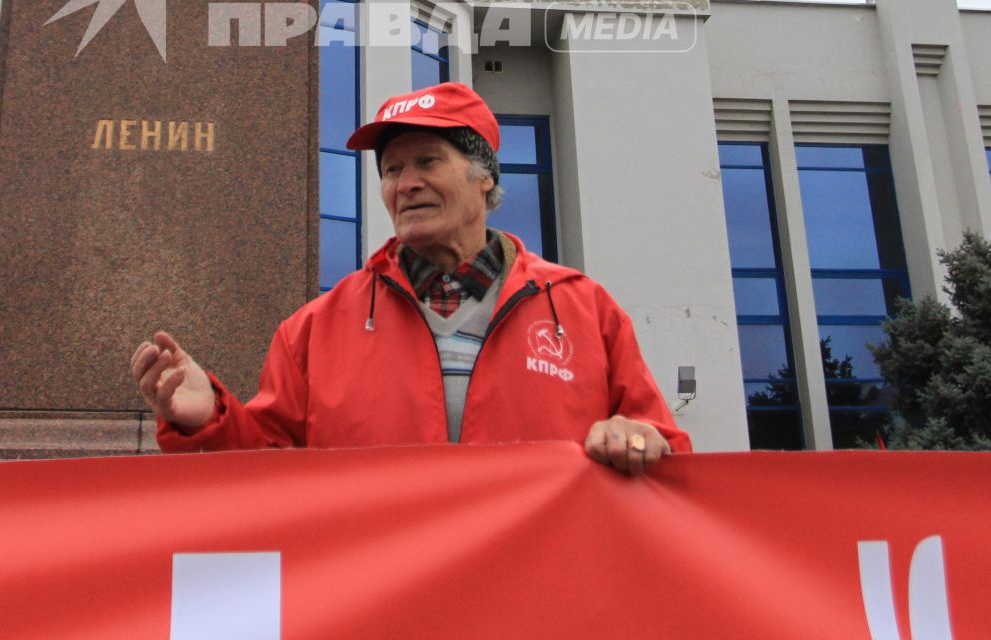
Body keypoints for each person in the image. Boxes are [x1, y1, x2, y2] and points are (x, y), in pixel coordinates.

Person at [131, 83, 691, 474]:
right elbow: (266, 474)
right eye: (393, 169)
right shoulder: (314, 330)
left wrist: (638, 439)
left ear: (484, 180)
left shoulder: (584, 310)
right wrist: (208, 421)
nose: (407, 183)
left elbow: (665, 446)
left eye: (427, 161)